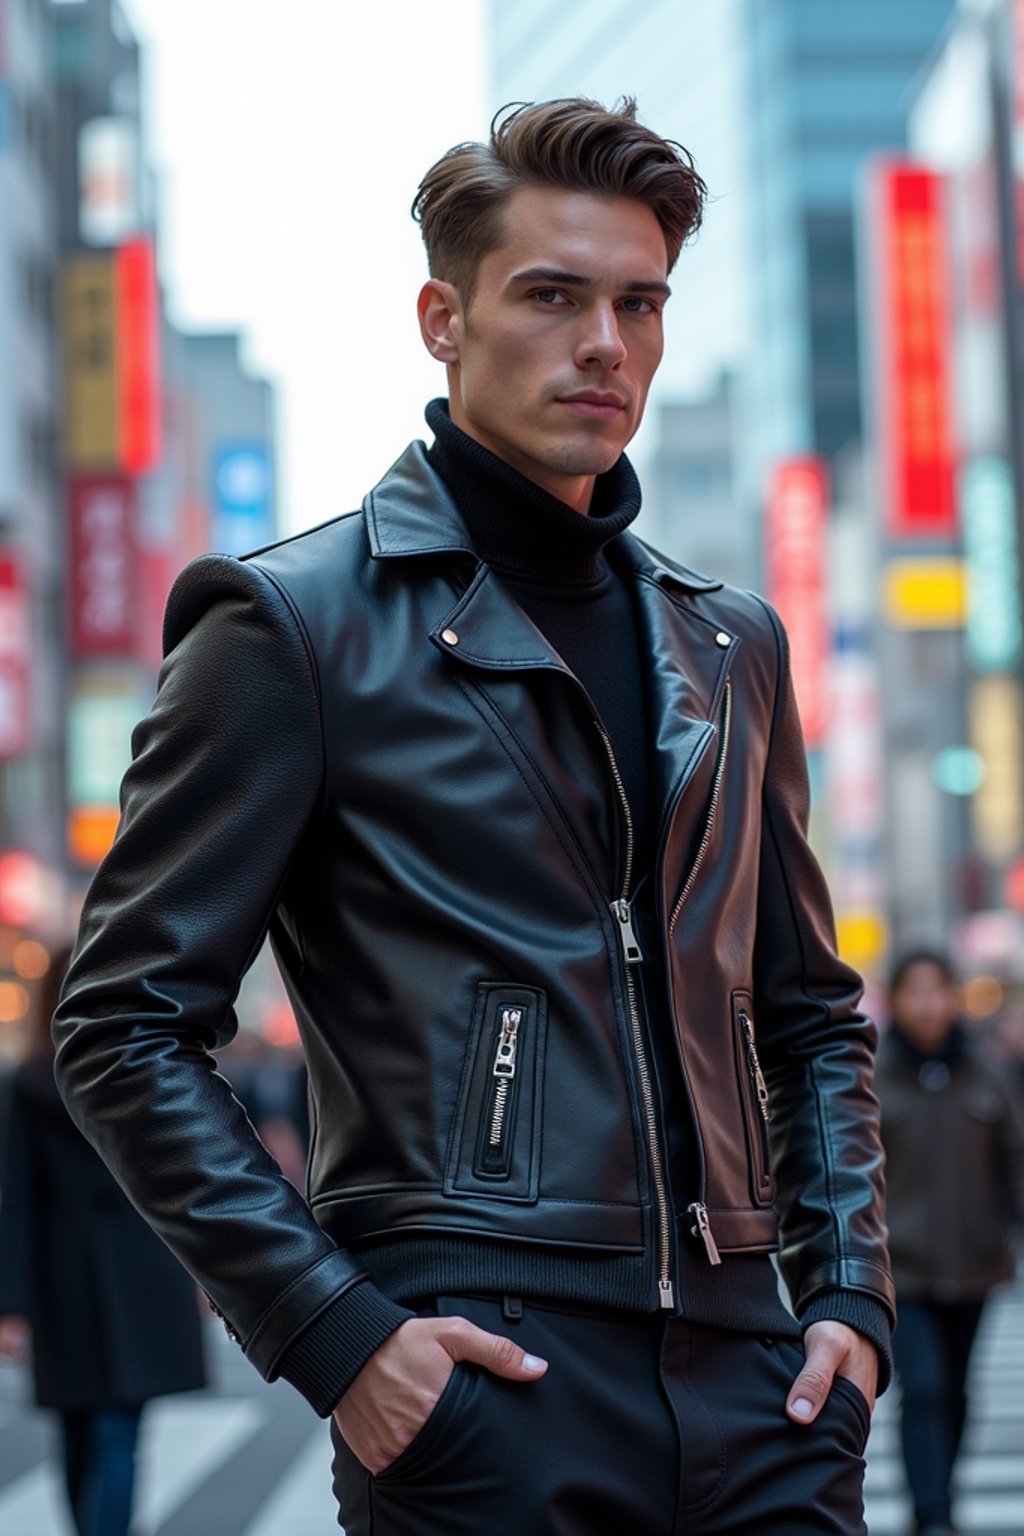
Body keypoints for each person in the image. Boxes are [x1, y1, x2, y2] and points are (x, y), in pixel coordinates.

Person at [53, 98, 894, 1535]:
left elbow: (807, 1013)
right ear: (443, 317)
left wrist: (850, 1301)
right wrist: (339, 1338)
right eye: (553, 296)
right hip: (485, 1384)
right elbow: (122, 1024)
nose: (605, 344)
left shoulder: (731, 641)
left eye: (641, 303)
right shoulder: (293, 628)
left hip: (766, 1391)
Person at [0, 947, 206, 1536]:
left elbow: (15, 1197)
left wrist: (12, 1302)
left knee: (78, 1428)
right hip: (144, 1265)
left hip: (60, 1271)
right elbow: (184, 1180)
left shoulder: (31, 1081)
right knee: (118, 1433)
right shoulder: (140, 1070)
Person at [876, 947, 1024, 1536]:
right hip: (901, 1269)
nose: (929, 1003)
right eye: (915, 991)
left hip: (974, 1263)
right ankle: (930, 1515)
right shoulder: (873, 1076)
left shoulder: (987, 1073)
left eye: (938, 990)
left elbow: (1015, 1159)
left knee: (958, 1391)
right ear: (897, 1000)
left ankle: (945, 1499)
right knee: (926, 1387)